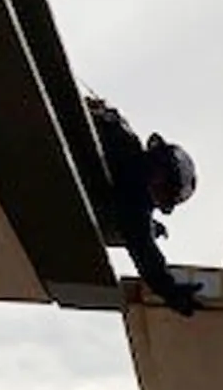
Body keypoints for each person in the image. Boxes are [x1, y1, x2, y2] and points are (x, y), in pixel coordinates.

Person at [85, 94, 204, 316]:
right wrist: (168, 289)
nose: (156, 185)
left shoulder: (124, 147)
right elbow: (142, 245)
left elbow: (140, 236)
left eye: (162, 191)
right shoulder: (124, 153)